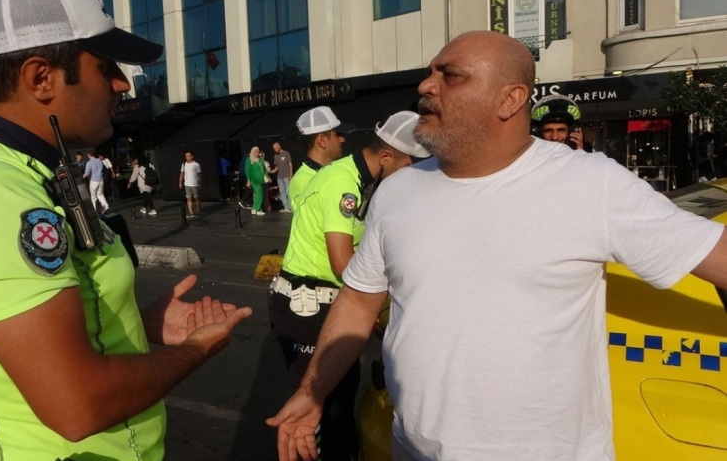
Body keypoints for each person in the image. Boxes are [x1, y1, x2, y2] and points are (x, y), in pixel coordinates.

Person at [267, 31, 727, 461]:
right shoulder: (398, 191)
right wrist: (312, 391)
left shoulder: (591, 184)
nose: (427, 86)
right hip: (412, 447)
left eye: (451, 75)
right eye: (431, 73)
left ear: (510, 99)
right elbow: (358, 298)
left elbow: (716, 256)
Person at [0, 0, 252, 461]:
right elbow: (77, 404)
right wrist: (194, 350)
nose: (122, 83)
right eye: (105, 65)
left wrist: (139, 323)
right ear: (40, 77)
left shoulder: (25, 169)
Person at [269, 110, 428, 461]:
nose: (415, 176)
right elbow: (344, 263)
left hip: (326, 301)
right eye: (411, 166)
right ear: (387, 156)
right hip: (308, 306)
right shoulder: (344, 183)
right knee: (324, 411)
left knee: (340, 397)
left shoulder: (363, 179)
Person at [287, 106, 351, 210]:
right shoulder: (305, 181)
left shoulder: (326, 173)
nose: (342, 139)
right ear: (322, 140)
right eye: (337, 134)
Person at [244, 146, 270, 216]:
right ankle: (255, 208)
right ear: (252, 152)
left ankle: (259, 209)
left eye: (258, 152)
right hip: (254, 180)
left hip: (261, 180)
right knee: (259, 192)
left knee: (257, 195)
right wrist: (248, 180)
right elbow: (247, 170)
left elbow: (264, 169)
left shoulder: (261, 159)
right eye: (255, 152)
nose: (257, 153)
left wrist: (267, 177)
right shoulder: (249, 160)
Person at [83, 149, 109, 214]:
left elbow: (87, 173)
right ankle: (106, 206)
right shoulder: (99, 161)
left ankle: (94, 211)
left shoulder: (89, 163)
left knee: (93, 197)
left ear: (89, 155)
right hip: (101, 180)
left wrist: (81, 177)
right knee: (100, 194)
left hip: (94, 181)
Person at [270, 141, 294, 212]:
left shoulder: (286, 153)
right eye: (274, 149)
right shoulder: (275, 156)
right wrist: (272, 171)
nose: (275, 150)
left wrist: (291, 174)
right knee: (282, 192)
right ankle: (286, 207)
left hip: (286, 176)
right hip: (279, 177)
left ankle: (291, 207)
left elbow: (290, 163)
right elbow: (277, 166)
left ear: (280, 147)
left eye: (276, 148)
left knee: (288, 191)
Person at [179, 150, 202, 217]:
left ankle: (198, 211)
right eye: (186, 156)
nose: (187, 157)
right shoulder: (183, 164)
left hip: (194, 184)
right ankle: (191, 212)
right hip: (187, 184)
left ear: (192, 156)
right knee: (189, 198)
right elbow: (182, 174)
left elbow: (199, 175)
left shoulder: (196, 164)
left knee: (196, 198)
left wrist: (200, 183)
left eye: (188, 156)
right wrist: (180, 182)